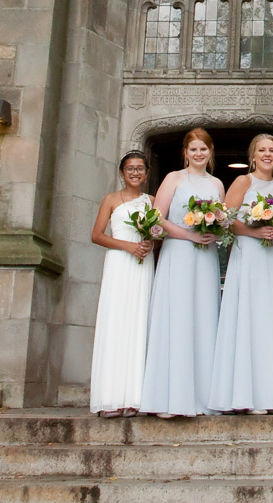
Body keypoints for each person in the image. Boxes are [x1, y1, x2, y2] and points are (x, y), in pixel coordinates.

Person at [138, 128, 225, 417]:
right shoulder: (173, 178)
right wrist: (189, 235)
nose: (199, 154)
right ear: (185, 153)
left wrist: (215, 231)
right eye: (193, 149)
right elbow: (155, 218)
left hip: (206, 258)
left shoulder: (217, 184)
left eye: (203, 149)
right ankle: (168, 398)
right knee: (177, 317)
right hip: (178, 254)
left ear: (210, 152)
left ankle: (201, 398)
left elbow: (223, 222)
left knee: (203, 316)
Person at [209, 132, 273, 414]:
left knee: (271, 318)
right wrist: (255, 231)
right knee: (248, 317)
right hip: (249, 257)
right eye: (262, 150)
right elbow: (226, 219)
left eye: (272, 150)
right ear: (253, 156)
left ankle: (269, 396)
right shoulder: (244, 181)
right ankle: (244, 395)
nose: (267, 155)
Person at [88, 151, 157, 417]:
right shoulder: (111, 200)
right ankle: (110, 397)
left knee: (138, 323)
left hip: (142, 265)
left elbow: (159, 233)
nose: (135, 172)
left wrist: (151, 243)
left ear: (147, 173)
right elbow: (97, 235)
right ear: (121, 172)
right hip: (118, 264)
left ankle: (135, 398)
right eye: (130, 168)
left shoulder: (152, 201)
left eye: (140, 168)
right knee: (116, 324)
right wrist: (127, 246)